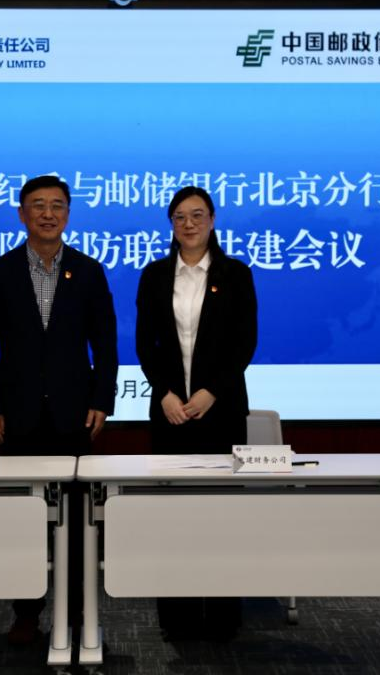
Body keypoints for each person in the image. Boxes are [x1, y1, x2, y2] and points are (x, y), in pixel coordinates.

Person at [0, 174, 118, 645]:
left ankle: (75, 615)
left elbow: (106, 344)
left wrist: (102, 400)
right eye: (38, 205)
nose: (48, 213)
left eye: (57, 205)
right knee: (24, 520)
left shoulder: (89, 271)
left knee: (77, 521)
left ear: (68, 215)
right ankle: (26, 615)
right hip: (18, 415)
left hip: (75, 415)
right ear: (22, 214)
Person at [134, 185, 258, 640]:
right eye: (180, 217)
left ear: (212, 220)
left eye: (197, 215)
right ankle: (179, 618)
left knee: (222, 516)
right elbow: (145, 343)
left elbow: (244, 343)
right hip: (170, 413)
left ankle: (223, 617)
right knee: (174, 516)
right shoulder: (154, 275)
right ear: (171, 224)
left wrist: (211, 392)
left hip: (220, 411)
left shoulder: (236, 274)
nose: (189, 224)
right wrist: (164, 392)